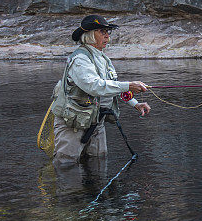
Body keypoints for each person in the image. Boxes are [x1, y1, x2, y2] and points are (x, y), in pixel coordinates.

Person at [50, 14, 151, 165]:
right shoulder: (80, 59)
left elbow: (112, 86)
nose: (107, 37)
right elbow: (94, 86)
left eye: (107, 32)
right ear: (90, 35)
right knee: (66, 165)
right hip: (73, 124)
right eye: (102, 32)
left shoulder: (103, 58)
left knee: (98, 163)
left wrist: (135, 104)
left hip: (96, 122)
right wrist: (129, 85)